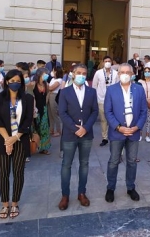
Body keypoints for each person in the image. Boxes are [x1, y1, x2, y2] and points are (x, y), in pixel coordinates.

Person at [0, 69, 34, 219]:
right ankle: (5, 204)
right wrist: (7, 139)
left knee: (18, 173)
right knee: (3, 174)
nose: (15, 84)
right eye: (12, 81)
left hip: (20, 140)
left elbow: (28, 121)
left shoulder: (28, 99)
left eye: (18, 81)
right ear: (7, 81)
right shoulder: (0, 98)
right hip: (2, 140)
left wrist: (15, 138)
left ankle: (15, 203)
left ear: (21, 83)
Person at [104, 63, 147, 203]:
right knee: (113, 161)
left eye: (127, 72)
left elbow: (143, 111)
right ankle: (110, 188)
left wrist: (137, 127)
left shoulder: (139, 90)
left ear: (132, 73)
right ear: (118, 74)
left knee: (132, 162)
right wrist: (118, 127)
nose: (124, 74)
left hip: (134, 133)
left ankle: (130, 187)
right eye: (122, 72)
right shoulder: (111, 90)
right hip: (117, 133)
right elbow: (108, 111)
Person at [57, 64, 99, 210]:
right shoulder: (65, 92)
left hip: (86, 135)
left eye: (84, 73)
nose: (81, 75)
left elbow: (95, 112)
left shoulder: (91, 92)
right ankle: (65, 195)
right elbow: (62, 113)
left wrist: (85, 128)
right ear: (73, 74)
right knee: (66, 165)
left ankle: (82, 193)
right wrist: (75, 128)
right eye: (79, 73)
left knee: (84, 164)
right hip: (70, 134)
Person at [92, 56, 119, 147]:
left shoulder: (116, 73)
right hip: (101, 99)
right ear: (103, 62)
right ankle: (105, 137)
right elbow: (94, 86)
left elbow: (118, 86)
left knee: (113, 119)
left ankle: (113, 135)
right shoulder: (98, 73)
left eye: (109, 61)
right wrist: (95, 98)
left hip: (113, 100)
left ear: (111, 62)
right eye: (106, 61)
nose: (107, 62)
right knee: (103, 120)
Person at [33, 68, 51, 155]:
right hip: (35, 108)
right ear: (39, 74)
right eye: (45, 74)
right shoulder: (33, 84)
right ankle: (35, 146)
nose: (46, 75)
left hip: (43, 108)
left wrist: (46, 106)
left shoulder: (46, 84)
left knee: (44, 127)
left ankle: (44, 148)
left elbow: (47, 95)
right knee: (35, 127)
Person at [138, 67, 150, 142]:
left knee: (148, 120)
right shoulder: (140, 81)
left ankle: (147, 135)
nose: (147, 73)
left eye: (148, 71)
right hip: (142, 102)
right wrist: (146, 99)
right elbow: (139, 92)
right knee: (141, 119)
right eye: (145, 71)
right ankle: (140, 134)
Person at [48, 67, 63, 137]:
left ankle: (58, 130)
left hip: (54, 96)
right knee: (50, 114)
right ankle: (51, 129)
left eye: (53, 71)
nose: (52, 72)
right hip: (49, 95)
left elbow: (51, 88)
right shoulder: (53, 79)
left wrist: (45, 84)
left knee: (54, 114)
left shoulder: (59, 80)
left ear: (56, 72)